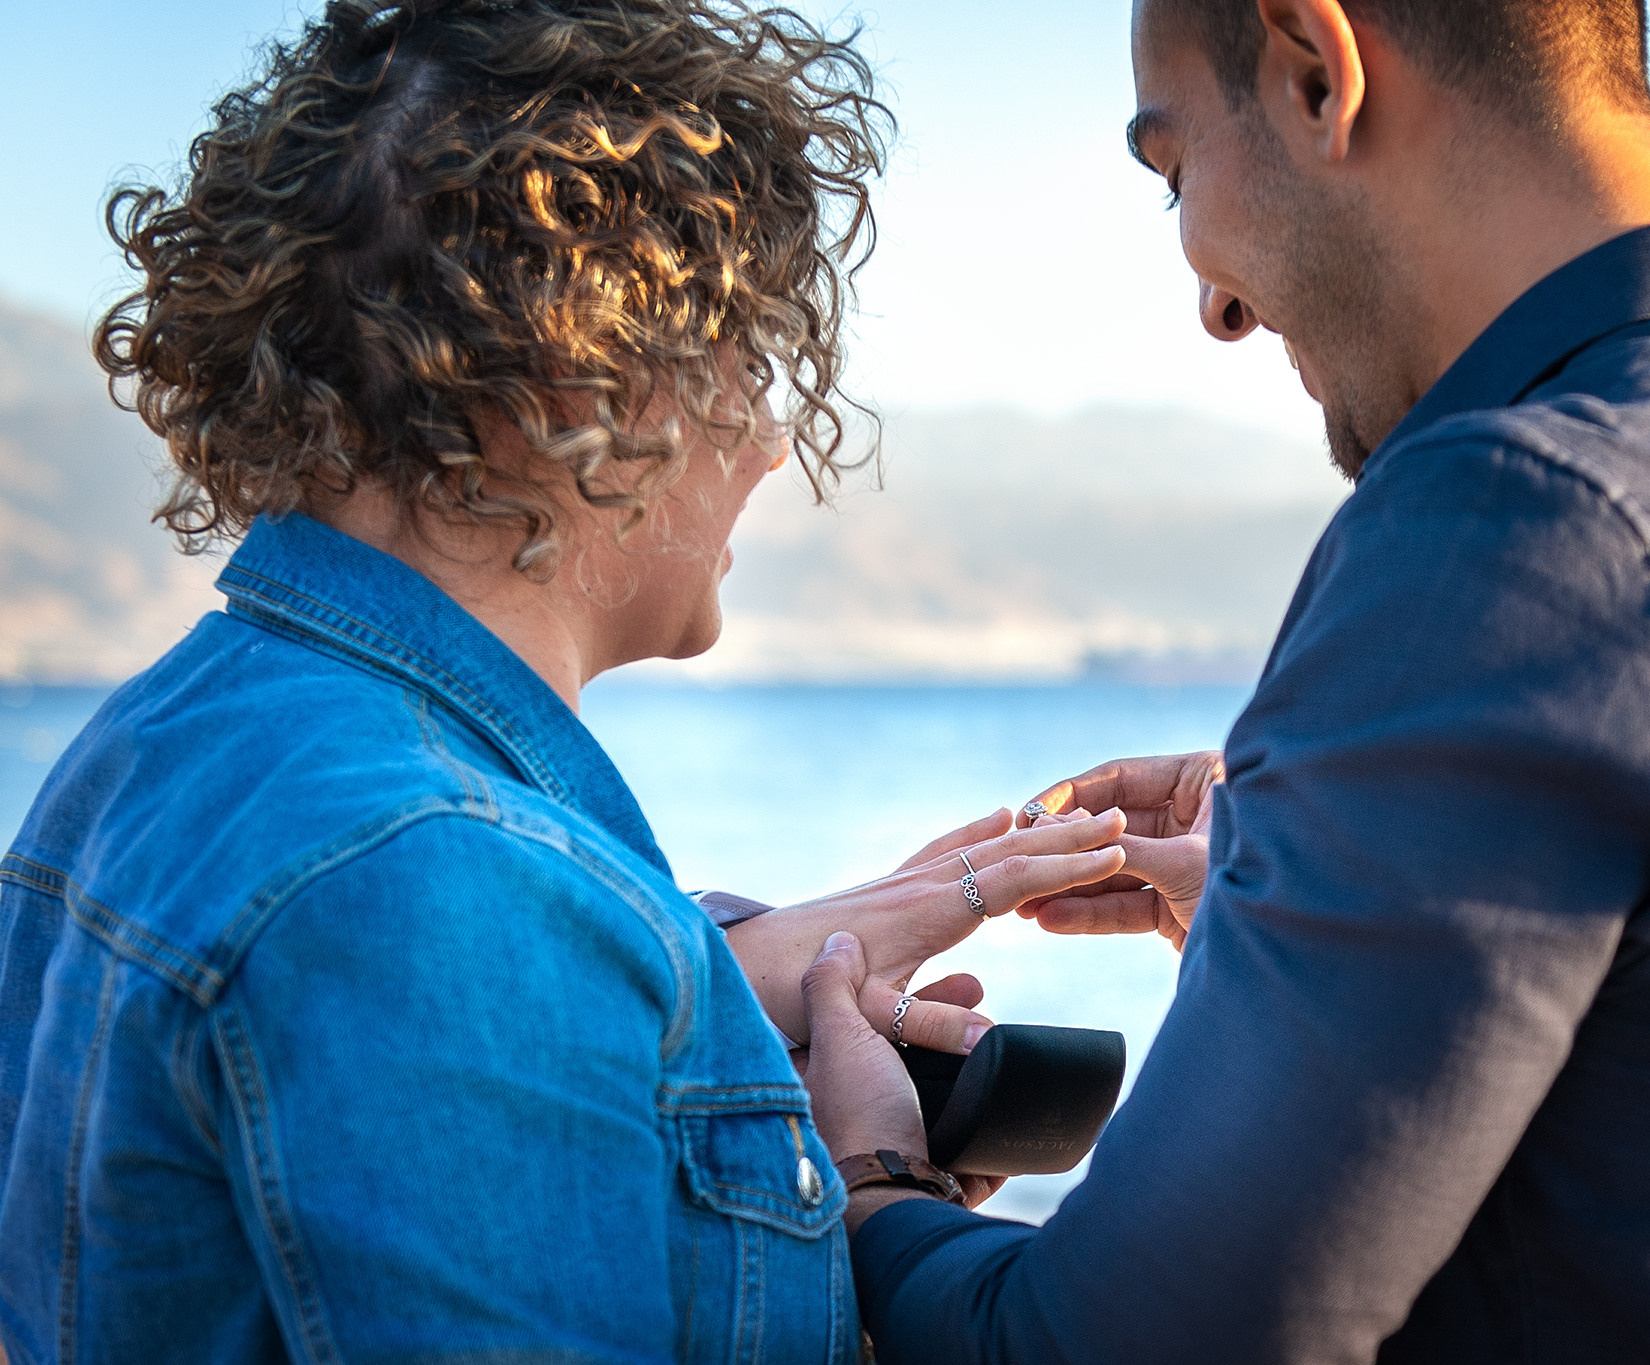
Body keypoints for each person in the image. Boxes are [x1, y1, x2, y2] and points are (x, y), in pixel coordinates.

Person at [797, 0, 1650, 1360]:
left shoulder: (1512, 525)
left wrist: (866, 1184)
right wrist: (1326, 881)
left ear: (1314, 70)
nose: (1213, 304)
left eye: (1173, 172)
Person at [0, 2, 1130, 1360]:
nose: (776, 444)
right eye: (747, 356)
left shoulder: (141, 751)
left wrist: (694, 1019)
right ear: (594, 373)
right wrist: (871, 1201)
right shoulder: (453, 890)